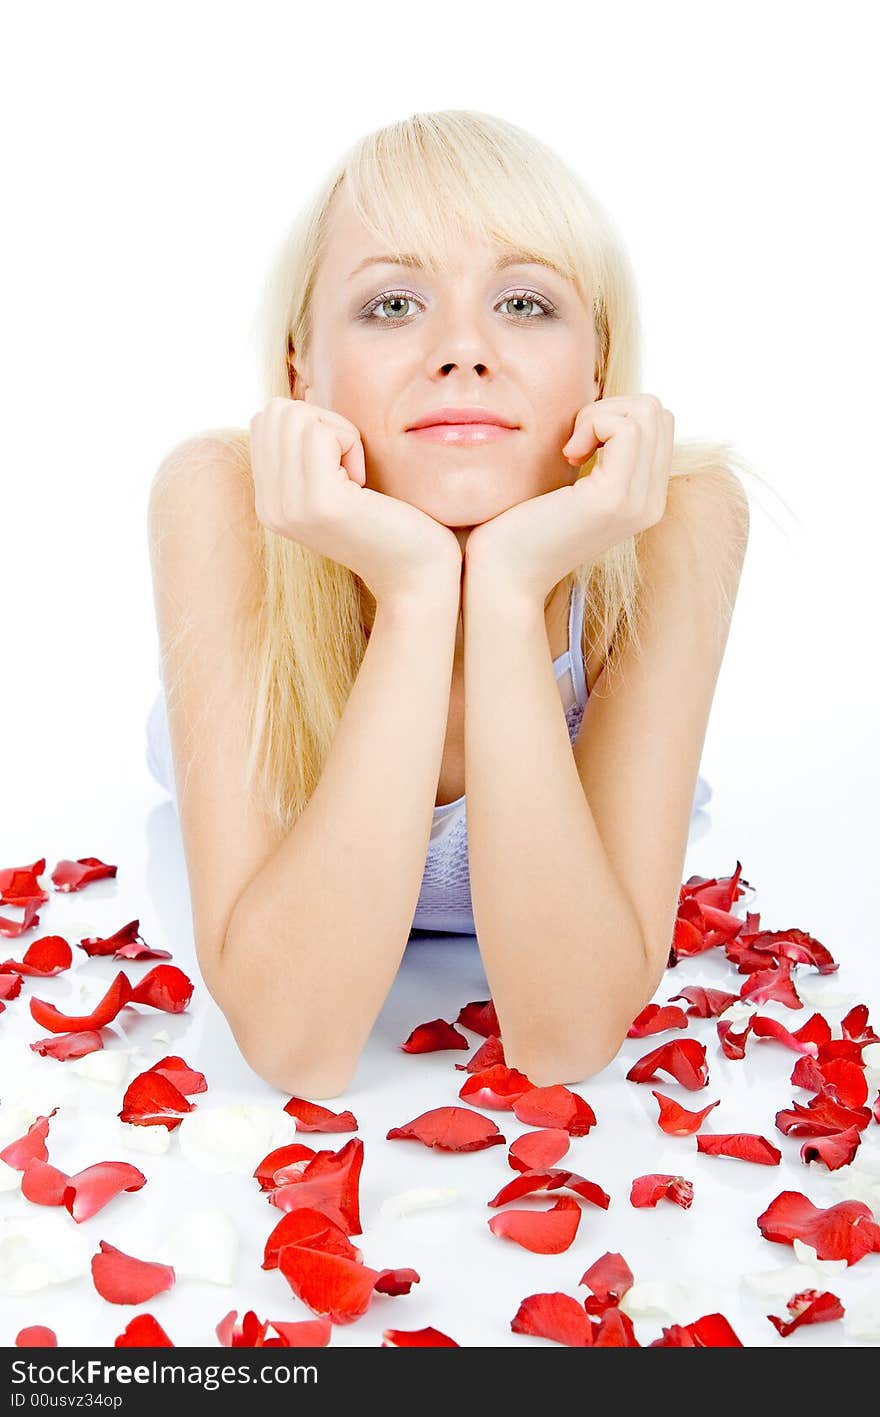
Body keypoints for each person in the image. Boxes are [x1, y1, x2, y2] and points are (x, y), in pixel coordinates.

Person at [146, 108, 753, 1099]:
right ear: (302, 368)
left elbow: (564, 1040)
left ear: (598, 363)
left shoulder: (680, 515)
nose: (463, 351)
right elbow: (297, 1044)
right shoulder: (222, 499)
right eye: (391, 305)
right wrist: (418, 589)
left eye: (523, 303)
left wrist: (509, 590)